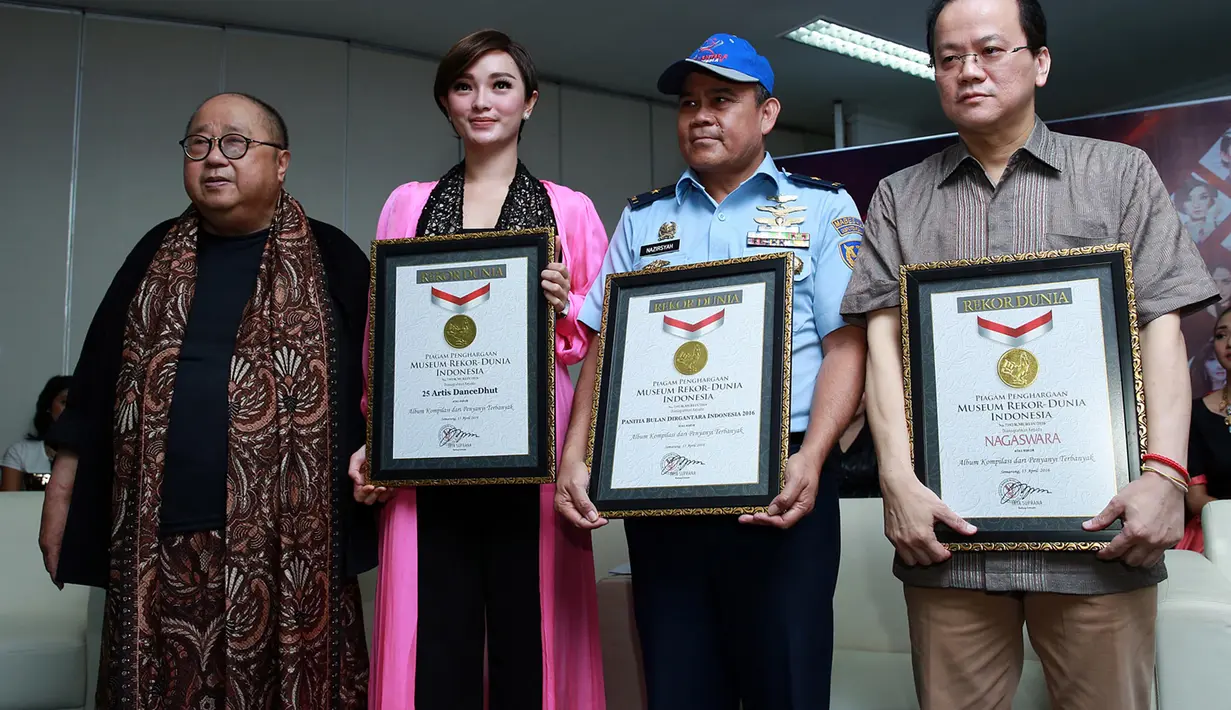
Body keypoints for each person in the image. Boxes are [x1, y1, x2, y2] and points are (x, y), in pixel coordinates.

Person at [840, 1, 1219, 708]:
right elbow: (882, 344)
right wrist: (895, 479)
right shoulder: (899, 196)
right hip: (947, 532)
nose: (968, 70)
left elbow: (1160, 327)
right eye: (948, 58)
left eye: (989, 49)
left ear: (1039, 62)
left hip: (1098, 534)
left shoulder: (1118, 173)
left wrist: (1165, 476)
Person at [555, 33, 866, 709]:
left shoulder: (822, 208)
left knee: (784, 674)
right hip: (664, 475)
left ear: (767, 112)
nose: (700, 115)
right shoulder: (645, 218)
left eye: (721, 99)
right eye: (688, 102)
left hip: (783, 477)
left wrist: (814, 458)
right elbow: (606, 344)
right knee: (677, 676)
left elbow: (847, 345)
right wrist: (574, 456)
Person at [37, 92, 376, 709]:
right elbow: (91, 387)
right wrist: (61, 493)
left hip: (297, 553)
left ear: (281, 163)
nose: (215, 158)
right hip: (160, 545)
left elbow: (385, 383)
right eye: (199, 143)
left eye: (236, 143)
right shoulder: (152, 255)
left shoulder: (336, 259)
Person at [347, 30, 608, 710]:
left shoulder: (570, 209)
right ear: (446, 102)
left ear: (530, 103)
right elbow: (384, 334)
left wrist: (564, 306)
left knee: (533, 632)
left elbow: (600, 335)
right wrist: (376, 437)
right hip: (425, 446)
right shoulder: (407, 204)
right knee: (437, 631)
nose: (482, 101)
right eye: (465, 86)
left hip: (537, 448)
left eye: (500, 85)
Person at [1181, 308, 1231, 553]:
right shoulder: (1197, 413)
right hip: (1218, 535)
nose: (1229, 343)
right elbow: (1195, 499)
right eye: (1222, 335)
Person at [1, 375, 70, 491]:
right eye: (64, 402)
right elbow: (8, 502)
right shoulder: (21, 452)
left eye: (77, 405)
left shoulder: (93, 453)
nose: (70, 410)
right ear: (48, 406)